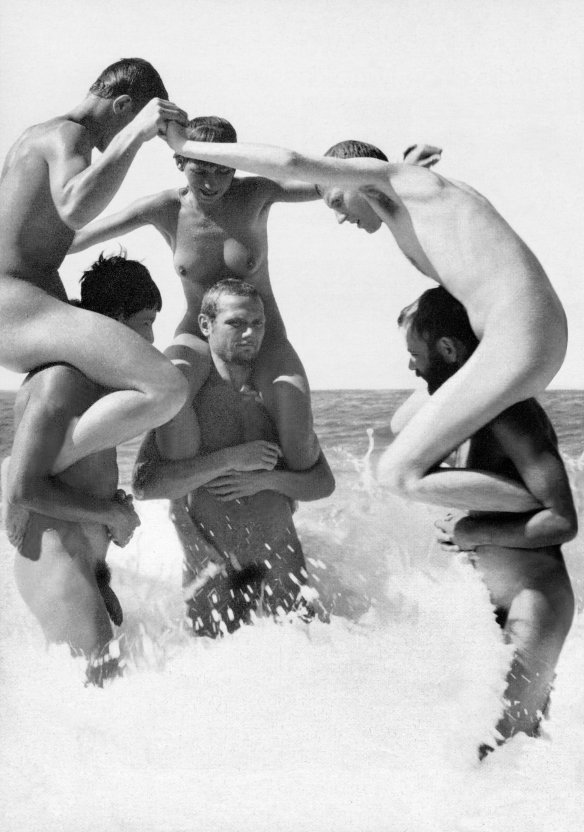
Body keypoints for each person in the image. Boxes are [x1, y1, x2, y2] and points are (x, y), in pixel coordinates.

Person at [163, 125, 567, 514]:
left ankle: (548, 508)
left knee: (397, 474)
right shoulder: (412, 198)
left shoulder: (394, 179)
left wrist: (184, 145)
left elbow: (288, 162)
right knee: (403, 424)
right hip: (513, 340)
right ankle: (505, 496)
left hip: (520, 338)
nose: (340, 217)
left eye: (337, 201)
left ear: (354, 174)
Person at [70, 116, 440, 472]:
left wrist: (399, 171)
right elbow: (76, 238)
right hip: (198, 336)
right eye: (201, 169)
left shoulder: (256, 194)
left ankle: (271, 485)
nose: (213, 181)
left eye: (223, 169)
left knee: (300, 453)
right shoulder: (163, 208)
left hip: (267, 336)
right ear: (180, 161)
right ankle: (199, 485)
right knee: (172, 427)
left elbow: (331, 182)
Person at [399, 286, 576, 751]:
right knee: (510, 747)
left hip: (534, 599)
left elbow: (562, 521)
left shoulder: (511, 414)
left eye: (415, 354)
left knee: (498, 747)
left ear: (448, 348)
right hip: (497, 598)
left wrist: (470, 530)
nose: (411, 367)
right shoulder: (473, 411)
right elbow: (402, 426)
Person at [0, 58, 188, 475]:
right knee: (168, 387)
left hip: (23, 308)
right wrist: (136, 135)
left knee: (108, 391)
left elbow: (36, 235)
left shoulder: (37, 135)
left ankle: (43, 471)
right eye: (135, 123)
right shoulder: (69, 135)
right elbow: (75, 207)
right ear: (123, 106)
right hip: (18, 310)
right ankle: (30, 468)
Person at [132, 279, 335, 636]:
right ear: (206, 325)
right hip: (213, 567)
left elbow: (323, 483)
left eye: (257, 323)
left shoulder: (274, 394)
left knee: (308, 662)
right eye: (236, 323)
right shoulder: (187, 398)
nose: (250, 333)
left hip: (280, 560)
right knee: (213, 668)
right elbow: (144, 485)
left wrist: (267, 480)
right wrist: (229, 459)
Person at [2, 253, 166, 684]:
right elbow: (23, 488)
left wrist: (109, 508)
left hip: (80, 565)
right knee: (103, 691)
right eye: (146, 321)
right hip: (55, 565)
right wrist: (111, 514)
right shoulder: (63, 380)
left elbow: (58, 474)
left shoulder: (93, 383)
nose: (151, 338)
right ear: (115, 321)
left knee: (103, 700)